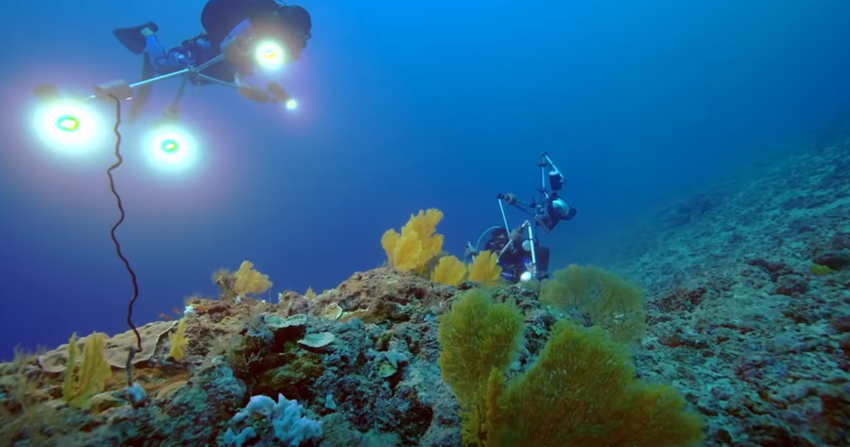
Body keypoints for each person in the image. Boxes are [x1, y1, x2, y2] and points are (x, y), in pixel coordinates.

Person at [112, 0, 311, 104]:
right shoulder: (256, 23)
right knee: (161, 65)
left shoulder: (268, 37)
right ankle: (147, 32)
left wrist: (247, 86)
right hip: (204, 50)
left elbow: (241, 64)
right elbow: (229, 47)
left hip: (220, 59)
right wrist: (245, 84)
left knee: (225, 71)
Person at [468, 226, 551, 283]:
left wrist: (534, 273)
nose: (498, 245)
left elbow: (530, 263)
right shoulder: (491, 254)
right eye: (495, 242)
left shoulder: (517, 254)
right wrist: (474, 255)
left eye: (501, 241)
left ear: (508, 241)